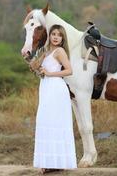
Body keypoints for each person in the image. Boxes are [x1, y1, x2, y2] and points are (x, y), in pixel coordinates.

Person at [33, 24, 77, 174]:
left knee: (56, 122)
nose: (56, 37)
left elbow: (69, 70)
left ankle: (58, 161)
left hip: (56, 89)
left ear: (62, 38)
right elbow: (39, 68)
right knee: (46, 121)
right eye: (53, 34)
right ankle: (50, 161)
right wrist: (39, 70)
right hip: (46, 88)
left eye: (59, 35)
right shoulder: (46, 52)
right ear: (49, 36)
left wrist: (50, 74)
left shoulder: (60, 51)